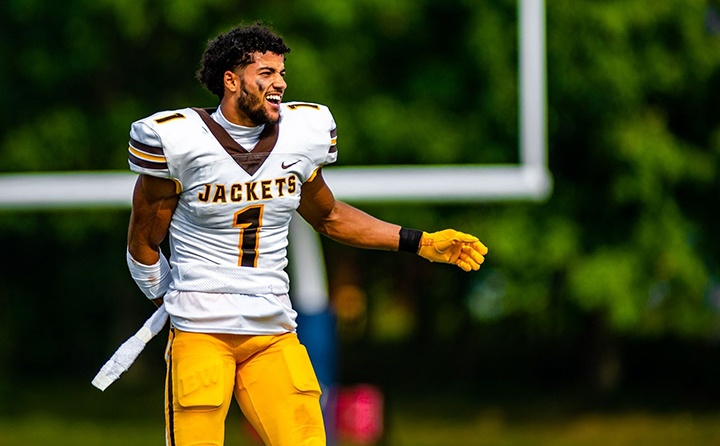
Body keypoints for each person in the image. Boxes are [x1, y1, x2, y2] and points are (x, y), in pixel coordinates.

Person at [125, 23, 488, 446]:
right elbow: (143, 245)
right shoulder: (178, 140)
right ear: (231, 80)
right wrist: (178, 302)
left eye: (281, 73)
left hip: (273, 333)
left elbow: (330, 216)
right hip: (203, 336)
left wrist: (420, 242)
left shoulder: (300, 135)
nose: (279, 83)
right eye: (265, 73)